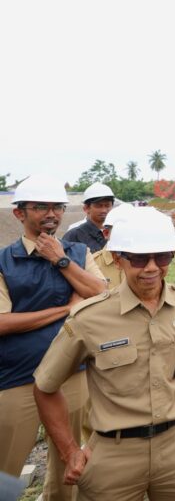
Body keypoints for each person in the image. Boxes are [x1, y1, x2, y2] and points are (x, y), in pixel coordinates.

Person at [33, 207, 175, 500]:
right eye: (140, 258)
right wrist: (70, 450)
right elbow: (45, 387)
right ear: (118, 259)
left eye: (163, 257)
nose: (152, 268)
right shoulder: (89, 318)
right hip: (113, 457)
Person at [0, 174, 106, 500]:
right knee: (7, 466)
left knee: (69, 461)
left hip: (70, 374)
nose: (51, 214)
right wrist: (65, 310)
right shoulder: (4, 261)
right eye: (40, 207)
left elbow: (101, 293)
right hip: (18, 378)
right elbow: (2, 323)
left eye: (57, 207)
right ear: (19, 213)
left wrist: (58, 259)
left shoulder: (77, 252)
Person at [91, 203, 136, 289]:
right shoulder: (92, 264)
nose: (128, 236)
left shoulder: (147, 263)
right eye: (120, 232)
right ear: (106, 233)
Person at [62, 182, 115, 252]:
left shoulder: (117, 230)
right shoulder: (74, 234)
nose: (104, 210)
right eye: (99, 206)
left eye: (107, 205)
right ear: (86, 208)